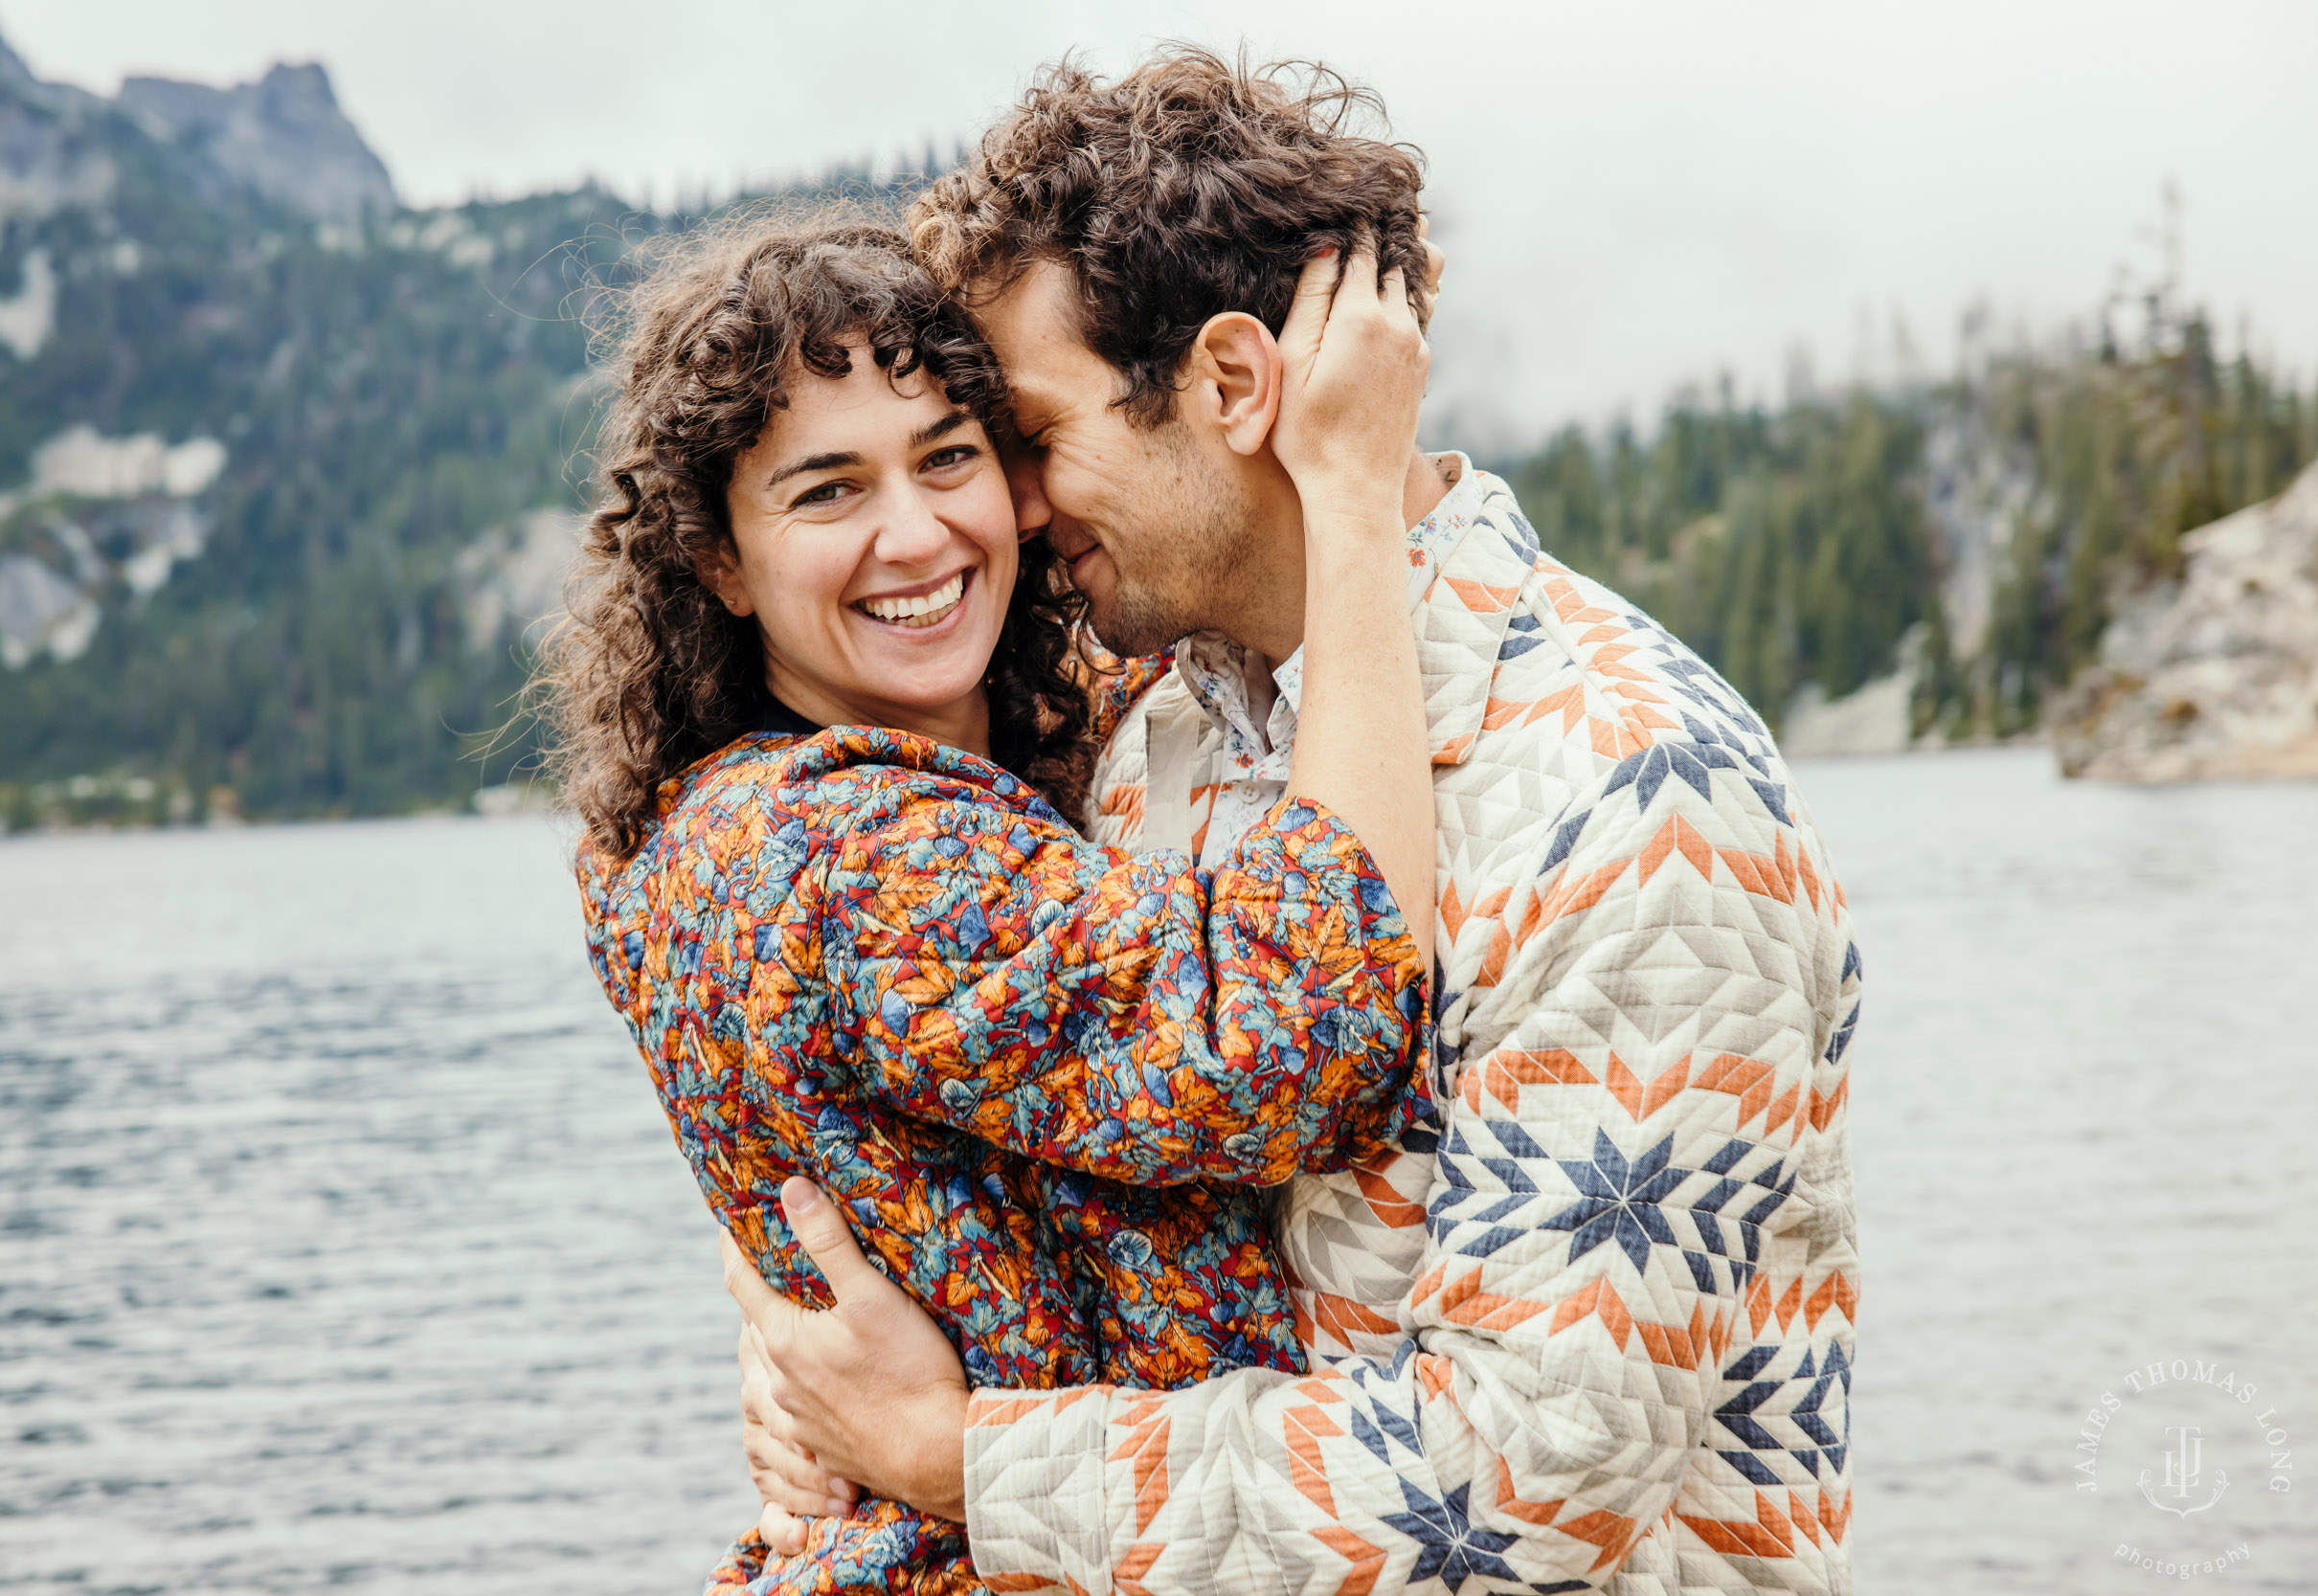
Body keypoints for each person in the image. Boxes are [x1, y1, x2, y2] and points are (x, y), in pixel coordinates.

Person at [729, 51, 1862, 1596]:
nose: (1014, 506)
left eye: (1036, 435)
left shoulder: (1632, 791)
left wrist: (957, 1461)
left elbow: (1527, 1484)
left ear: (1233, 386)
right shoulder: (1156, 737)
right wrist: (803, 1357)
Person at [544, 212, 1445, 1594]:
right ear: (717, 556)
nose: (916, 535)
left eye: (950, 456)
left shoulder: (1004, 742)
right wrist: (1350, 491)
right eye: (827, 492)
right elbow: (1295, 1033)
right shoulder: (829, 852)